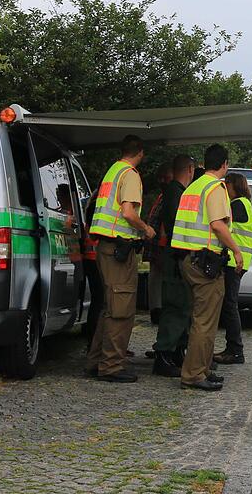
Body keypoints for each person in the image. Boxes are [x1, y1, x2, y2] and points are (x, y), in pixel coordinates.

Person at [171, 144, 244, 391]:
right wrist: (236, 250)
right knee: (205, 321)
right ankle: (194, 375)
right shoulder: (215, 187)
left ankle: (201, 369)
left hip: (188, 260)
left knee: (201, 318)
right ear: (224, 164)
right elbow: (218, 225)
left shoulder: (193, 187)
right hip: (206, 262)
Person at [86, 136, 156, 383]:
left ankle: (96, 361)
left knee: (109, 307)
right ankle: (112, 366)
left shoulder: (113, 171)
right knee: (121, 308)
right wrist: (146, 228)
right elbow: (128, 212)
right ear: (141, 152)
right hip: (119, 249)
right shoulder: (130, 174)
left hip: (106, 247)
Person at [152, 154, 196, 377]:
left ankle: (177, 351)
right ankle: (164, 354)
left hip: (175, 254)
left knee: (182, 306)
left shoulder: (175, 192)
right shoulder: (176, 193)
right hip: (176, 255)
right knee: (176, 306)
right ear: (190, 169)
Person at [214, 172, 252, 365]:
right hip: (239, 261)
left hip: (233, 262)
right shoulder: (245, 203)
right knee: (229, 304)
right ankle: (234, 349)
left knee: (230, 305)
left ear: (232, 186)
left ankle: (235, 350)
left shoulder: (237, 205)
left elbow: (221, 224)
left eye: (226, 186)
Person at [144, 163, 173, 325]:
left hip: (161, 248)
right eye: (160, 177)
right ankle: (155, 310)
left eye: (165, 177)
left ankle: (158, 310)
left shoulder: (168, 195)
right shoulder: (163, 196)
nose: (162, 180)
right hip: (156, 248)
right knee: (155, 280)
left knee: (159, 280)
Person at [80, 195, 103, 341]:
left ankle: (92, 339)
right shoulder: (99, 207)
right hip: (96, 258)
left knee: (97, 300)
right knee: (100, 301)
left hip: (90, 257)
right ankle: (93, 340)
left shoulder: (91, 205)